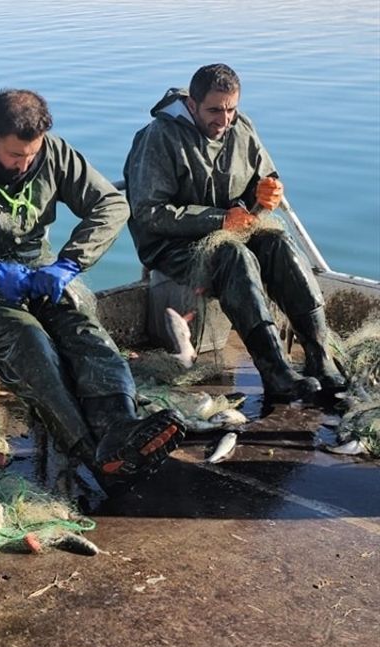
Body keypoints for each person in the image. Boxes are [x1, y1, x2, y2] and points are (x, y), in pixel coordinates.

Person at [0, 89, 185, 481]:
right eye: (15, 156)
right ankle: (92, 453)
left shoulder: (52, 152)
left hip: (38, 273)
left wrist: (70, 262)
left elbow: (111, 204)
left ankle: (122, 426)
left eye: (32, 155)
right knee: (30, 341)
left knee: (85, 331)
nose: (25, 164)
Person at [124, 63, 347, 399]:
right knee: (233, 256)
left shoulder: (241, 128)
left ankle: (319, 356)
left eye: (231, 109)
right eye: (214, 110)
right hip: (171, 245)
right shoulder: (158, 138)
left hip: (234, 228)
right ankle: (274, 369)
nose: (224, 119)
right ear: (191, 104)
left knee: (278, 242)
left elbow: (265, 174)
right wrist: (218, 221)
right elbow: (147, 212)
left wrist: (268, 191)